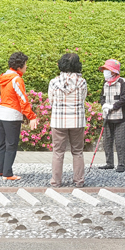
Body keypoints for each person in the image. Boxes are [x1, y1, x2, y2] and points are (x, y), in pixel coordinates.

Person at [0, 51, 38, 181]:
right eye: (25, 64)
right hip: (12, 116)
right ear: (19, 67)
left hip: (1, 113)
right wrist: (31, 116)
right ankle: (8, 173)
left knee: (2, 143)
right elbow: (23, 99)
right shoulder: (17, 79)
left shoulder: (4, 77)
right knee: (11, 145)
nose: (26, 66)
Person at [48, 53, 88, 187]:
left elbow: (51, 101)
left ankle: (56, 181)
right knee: (77, 152)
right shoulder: (82, 82)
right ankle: (79, 181)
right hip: (77, 120)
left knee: (58, 152)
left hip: (58, 120)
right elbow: (83, 99)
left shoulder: (54, 82)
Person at [98, 58, 125, 173]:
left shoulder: (122, 82)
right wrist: (104, 105)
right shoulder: (105, 83)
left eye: (107, 70)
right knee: (107, 140)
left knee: (120, 141)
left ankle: (121, 164)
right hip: (108, 116)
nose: (105, 72)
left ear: (113, 71)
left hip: (121, 117)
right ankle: (109, 163)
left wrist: (113, 106)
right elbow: (102, 97)